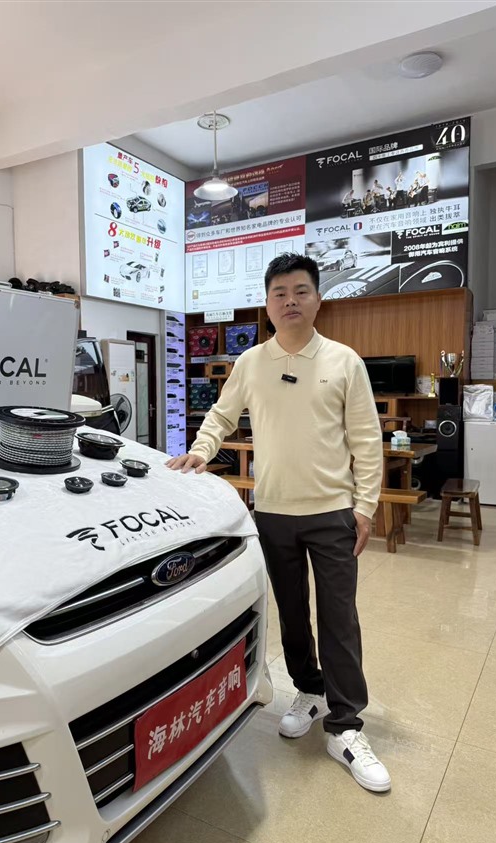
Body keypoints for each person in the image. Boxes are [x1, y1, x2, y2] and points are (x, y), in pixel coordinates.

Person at [167, 254, 390, 793]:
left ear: (318, 299)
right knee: (291, 613)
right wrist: (201, 450)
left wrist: (365, 506)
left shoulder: (343, 361)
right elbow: (221, 415)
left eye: (300, 291)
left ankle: (346, 724)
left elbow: (366, 439)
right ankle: (309, 692)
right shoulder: (251, 362)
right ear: (267, 304)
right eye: (280, 293)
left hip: (332, 512)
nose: (290, 301)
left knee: (339, 618)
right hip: (272, 513)